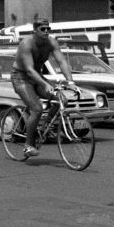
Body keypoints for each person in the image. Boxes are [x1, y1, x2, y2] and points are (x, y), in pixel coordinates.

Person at [11, 17, 77, 157]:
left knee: (62, 101)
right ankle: (28, 145)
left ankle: (44, 127)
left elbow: (62, 62)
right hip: (21, 77)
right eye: (43, 29)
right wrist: (45, 84)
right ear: (35, 30)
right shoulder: (27, 43)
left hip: (38, 76)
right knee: (37, 109)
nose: (46, 32)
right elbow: (29, 70)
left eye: (48, 29)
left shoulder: (51, 42)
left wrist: (70, 82)